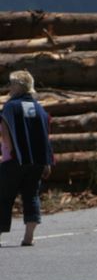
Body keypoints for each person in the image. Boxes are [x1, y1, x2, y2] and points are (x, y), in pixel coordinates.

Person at [0, 70, 54, 247]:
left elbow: (5, 131)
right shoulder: (39, 109)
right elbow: (45, 136)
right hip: (36, 160)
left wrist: (9, 151)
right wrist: (47, 161)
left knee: (4, 196)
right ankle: (29, 237)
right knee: (31, 196)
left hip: (14, 159)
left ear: (19, 86)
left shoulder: (10, 107)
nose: (9, 87)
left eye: (12, 83)